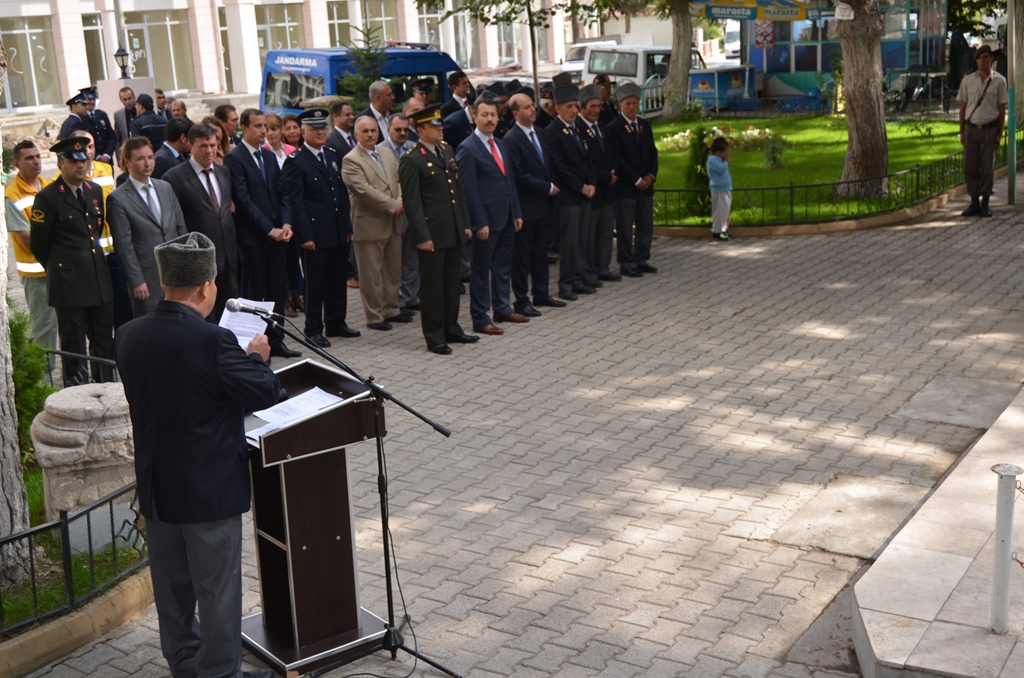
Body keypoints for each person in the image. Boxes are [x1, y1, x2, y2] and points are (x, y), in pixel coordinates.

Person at [115, 231, 280, 678]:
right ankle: (221, 673)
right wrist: (257, 358)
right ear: (207, 287)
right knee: (217, 590)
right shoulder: (214, 341)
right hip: (208, 491)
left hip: (156, 485)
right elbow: (265, 392)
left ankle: (184, 663)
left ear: (164, 282)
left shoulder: (127, 334)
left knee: (172, 588)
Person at [29, 137, 115, 386]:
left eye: (84, 160)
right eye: (73, 161)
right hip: (68, 286)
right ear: (60, 164)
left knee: (103, 342)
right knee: (74, 346)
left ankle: (106, 389)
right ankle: (76, 395)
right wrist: (62, 270)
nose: (81, 165)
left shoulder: (94, 190)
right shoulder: (47, 198)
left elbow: (94, 232)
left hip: (98, 282)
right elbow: (39, 245)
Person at [399, 104, 477, 355]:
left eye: (440, 124)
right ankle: (434, 335)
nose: (440, 128)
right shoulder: (412, 158)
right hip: (432, 233)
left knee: (452, 283)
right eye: (434, 125)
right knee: (433, 287)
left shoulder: (446, 150)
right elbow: (412, 203)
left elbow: (458, 192)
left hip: (452, 229)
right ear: (421, 129)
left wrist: (465, 223)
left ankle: (451, 328)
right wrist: (422, 236)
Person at [280, 108, 360, 346]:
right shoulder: (296, 161)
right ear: (304, 132)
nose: (320, 132)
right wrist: (304, 235)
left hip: (336, 229)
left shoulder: (332, 155)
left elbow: (340, 194)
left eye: (323, 128)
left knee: (337, 278)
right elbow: (296, 202)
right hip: (314, 233)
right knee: (316, 283)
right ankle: (313, 329)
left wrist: (346, 225)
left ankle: (336, 322)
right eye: (314, 129)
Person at [225, 108, 301, 358]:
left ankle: (276, 341)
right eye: (257, 126)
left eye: (265, 126)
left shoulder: (268, 156)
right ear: (244, 128)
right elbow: (243, 200)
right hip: (254, 239)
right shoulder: (235, 158)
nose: (263, 131)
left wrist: (286, 224)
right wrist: (269, 230)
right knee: (255, 294)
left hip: (279, 236)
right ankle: (255, 346)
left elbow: (283, 193)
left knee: (277, 290)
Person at [456, 92, 527, 336]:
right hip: (486, 222)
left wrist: (516, 212)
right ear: (475, 116)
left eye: (493, 115)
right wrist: (479, 222)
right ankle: (480, 316)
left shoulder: (501, 143)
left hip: (506, 217)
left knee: (502, 267)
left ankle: (502, 308)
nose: (490, 119)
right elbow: (468, 190)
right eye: (484, 115)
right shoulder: (467, 148)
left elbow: (510, 181)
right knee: (480, 270)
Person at [163, 124, 239, 322]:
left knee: (230, 311)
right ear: (190, 146)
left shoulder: (223, 172)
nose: (209, 150)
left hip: (228, 256)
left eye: (213, 145)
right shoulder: (174, 177)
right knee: (204, 315)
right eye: (203, 146)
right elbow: (175, 221)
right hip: (199, 258)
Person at [106, 137, 188, 317]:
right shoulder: (118, 199)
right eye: (140, 159)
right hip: (148, 281)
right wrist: (136, 281)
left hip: (176, 276)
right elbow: (124, 245)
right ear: (128, 162)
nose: (147, 163)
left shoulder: (165, 188)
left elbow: (181, 229)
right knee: (153, 327)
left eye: (150, 157)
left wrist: (186, 266)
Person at [503, 91, 565, 317]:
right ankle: (521, 299)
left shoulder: (539, 132)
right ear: (515, 113)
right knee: (522, 256)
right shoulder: (511, 139)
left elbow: (548, 165)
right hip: (526, 207)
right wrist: (546, 187)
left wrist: (553, 184)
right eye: (527, 107)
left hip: (544, 206)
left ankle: (541, 293)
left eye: (533, 105)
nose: (533, 110)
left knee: (541, 252)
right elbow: (519, 175)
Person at [342, 115, 406, 331]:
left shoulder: (387, 153)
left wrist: (401, 200)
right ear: (356, 134)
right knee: (371, 275)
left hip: (394, 222)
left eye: (373, 130)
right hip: (369, 224)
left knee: (393, 271)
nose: (370, 134)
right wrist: (392, 205)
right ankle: (374, 316)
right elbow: (363, 191)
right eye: (365, 131)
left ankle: (391, 309)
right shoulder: (351, 159)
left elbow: (399, 180)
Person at [6, 140, 58, 360]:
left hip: (59, 268)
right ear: (17, 164)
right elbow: (27, 238)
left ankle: (72, 371)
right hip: (36, 275)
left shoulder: (49, 185)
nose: (36, 161)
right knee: (44, 326)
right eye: (29, 158)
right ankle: (42, 374)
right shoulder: (12, 195)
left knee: (66, 323)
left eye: (37, 156)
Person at [545, 81, 597, 301]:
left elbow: (588, 160)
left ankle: (577, 279)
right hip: (569, 196)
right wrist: (581, 186)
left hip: (584, 194)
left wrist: (592, 183)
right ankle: (565, 283)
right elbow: (559, 167)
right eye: (569, 106)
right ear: (558, 108)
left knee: (582, 239)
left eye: (575, 106)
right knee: (569, 241)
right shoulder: (552, 132)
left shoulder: (576, 130)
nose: (574, 110)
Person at [605, 82, 658, 277]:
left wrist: (651, 175)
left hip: (646, 185)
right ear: (620, 105)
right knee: (625, 227)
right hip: (626, 187)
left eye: (635, 103)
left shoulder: (645, 125)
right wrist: (636, 180)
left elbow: (653, 153)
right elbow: (617, 158)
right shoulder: (613, 128)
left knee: (645, 224)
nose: (632, 107)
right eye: (628, 103)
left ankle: (641, 258)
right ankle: (626, 262)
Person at [958, 44, 1007, 217]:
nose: (982, 61)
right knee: (969, 167)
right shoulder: (967, 80)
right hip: (971, 130)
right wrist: (961, 131)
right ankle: (974, 202)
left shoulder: (999, 81)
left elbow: (1001, 109)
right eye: (979, 58)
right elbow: (963, 107)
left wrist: (1000, 133)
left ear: (991, 59)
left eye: (985, 57)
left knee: (987, 168)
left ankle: (985, 202)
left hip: (989, 130)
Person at [577, 84, 620, 282]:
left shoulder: (602, 127)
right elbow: (585, 163)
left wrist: (613, 171)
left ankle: (603, 267)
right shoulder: (578, 129)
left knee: (605, 232)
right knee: (590, 234)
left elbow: (611, 153)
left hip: (607, 191)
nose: (596, 110)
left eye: (599, 106)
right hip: (592, 190)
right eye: (592, 106)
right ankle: (589, 271)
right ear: (582, 108)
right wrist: (605, 176)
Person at [80, 87, 116, 163]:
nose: (92, 102)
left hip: (107, 160)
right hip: (92, 161)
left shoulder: (102, 115)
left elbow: (111, 136)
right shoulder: (81, 118)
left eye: (94, 99)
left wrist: (107, 155)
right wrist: (97, 156)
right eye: (89, 99)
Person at [707, 137, 733, 240]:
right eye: (725, 152)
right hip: (719, 190)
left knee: (725, 210)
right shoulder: (712, 160)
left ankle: (723, 229)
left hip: (725, 188)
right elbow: (721, 169)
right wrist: (725, 162)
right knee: (720, 211)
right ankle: (717, 231)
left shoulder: (717, 159)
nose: (726, 154)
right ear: (718, 152)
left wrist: (725, 162)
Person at [113, 87, 136, 162]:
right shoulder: (118, 115)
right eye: (125, 99)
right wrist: (119, 157)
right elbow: (117, 137)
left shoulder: (141, 112)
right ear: (121, 100)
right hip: (127, 154)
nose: (128, 102)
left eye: (130, 98)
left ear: (134, 97)